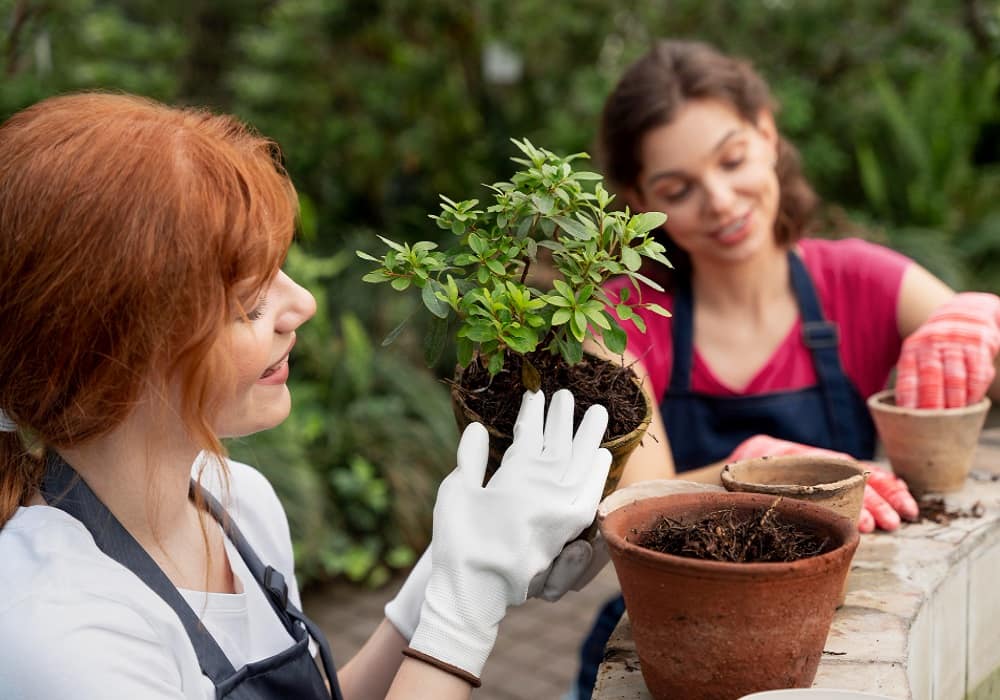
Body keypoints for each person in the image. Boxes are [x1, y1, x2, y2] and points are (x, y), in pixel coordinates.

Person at [0, 93, 612, 700]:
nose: (303, 305)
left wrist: (448, 568)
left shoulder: (240, 505)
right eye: (249, 302)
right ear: (108, 351)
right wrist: (466, 607)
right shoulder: (60, 632)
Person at [570, 39, 1000, 698]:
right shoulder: (619, 319)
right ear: (637, 199)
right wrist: (746, 475)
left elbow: (977, 355)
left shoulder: (860, 280)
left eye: (733, 159)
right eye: (677, 188)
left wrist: (981, 321)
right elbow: (634, 506)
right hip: (667, 631)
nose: (718, 201)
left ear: (768, 134)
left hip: (838, 629)